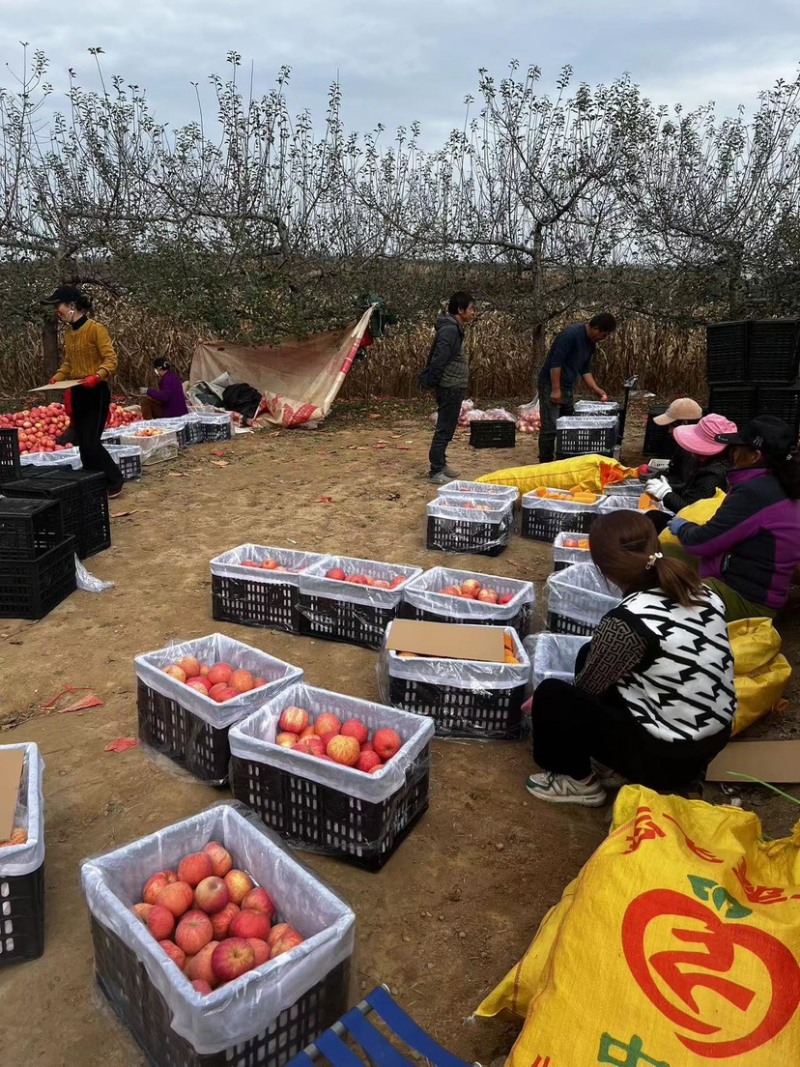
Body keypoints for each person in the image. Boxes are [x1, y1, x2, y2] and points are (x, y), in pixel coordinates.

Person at [526, 511, 735, 807]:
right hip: (709, 744)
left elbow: (586, 690)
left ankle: (579, 782)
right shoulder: (703, 592)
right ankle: (616, 764)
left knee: (552, 696)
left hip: (667, 755)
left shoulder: (627, 622)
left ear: (602, 569)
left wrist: (545, 707)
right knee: (590, 654)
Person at [668, 415, 800, 621]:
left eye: (738, 447)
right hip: (744, 576)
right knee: (663, 553)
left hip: (749, 600)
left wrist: (682, 526)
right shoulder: (780, 482)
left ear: (755, 456)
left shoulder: (755, 493)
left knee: (661, 587)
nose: (733, 452)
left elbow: (702, 543)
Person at [41, 285, 124, 498]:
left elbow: (111, 359)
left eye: (58, 305)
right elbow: (69, 362)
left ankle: (114, 481)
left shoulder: (95, 329)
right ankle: (93, 482)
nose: (57, 311)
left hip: (95, 391)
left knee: (91, 442)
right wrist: (58, 377)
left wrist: (97, 376)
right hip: (78, 391)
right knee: (82, 443)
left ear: (71, 305)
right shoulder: (69, 333)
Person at [537, 313, 617, 463]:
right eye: (604, 335)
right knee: (550, 427)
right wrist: (555, 389)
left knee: (568, 426)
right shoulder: (570, 335)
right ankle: (545, 462)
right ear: (596, 328)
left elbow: (585, 369)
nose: (603, 338)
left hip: (568, 386)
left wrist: (595, 388)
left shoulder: (591, 344)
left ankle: (564, 459)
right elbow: (556, 362)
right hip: (551, 384)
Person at [419, 291, 475, 484]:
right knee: (444, 428)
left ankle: (441, 464)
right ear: (460, 310)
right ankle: (436, 470)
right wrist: (432, 381)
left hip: (454, 385)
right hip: (449, 385)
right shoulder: (450, 330)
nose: (473, 312)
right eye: (471, 309)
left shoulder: (454, 328)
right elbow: (439, 358)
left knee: (449, 426)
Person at [644, 413, 735, 531]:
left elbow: (690, 510)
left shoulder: (713, 475)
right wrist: (668, 487)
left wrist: (665, 494)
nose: (693, 453)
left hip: (697, 528)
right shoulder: (706, 463)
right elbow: (691, 488)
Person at [650, 396, 703, 486]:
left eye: (672, 426)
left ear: (685, 423)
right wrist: (657, 474)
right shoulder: (683, 444)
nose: (669, 431)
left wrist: (659, 485)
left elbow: (684, 485)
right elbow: (676, 473)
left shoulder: (692, 452)